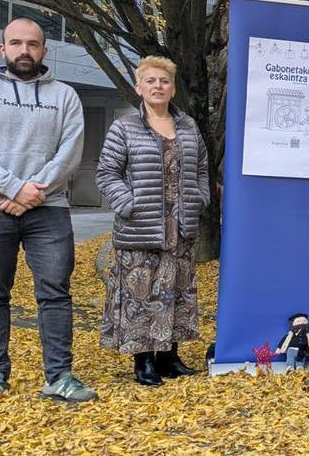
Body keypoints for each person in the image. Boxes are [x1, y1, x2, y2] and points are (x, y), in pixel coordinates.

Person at [0, 16, 94, 406]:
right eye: (15, 43)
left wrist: (33, 192)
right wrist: (16, 189)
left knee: (55, 293)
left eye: (32, 44)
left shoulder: (65, 96)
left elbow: (70, 152)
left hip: (48, 212)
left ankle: (58, 376)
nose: (24, 51)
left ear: (45, 50)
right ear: (3, 49)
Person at [97, 55, 210, 386]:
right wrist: (127, 204)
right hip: (140, 225)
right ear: (139, 87)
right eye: (151, 81)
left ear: (173, 89)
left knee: (176, 290)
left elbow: (202, 168)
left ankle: (169, 356)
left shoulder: (188, 126)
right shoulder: (125, 127)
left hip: (181, 227)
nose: (158, 86)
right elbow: (107, 173)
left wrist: (200, 199)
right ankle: (144, 359)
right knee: (140, 293)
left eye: (164, 81)